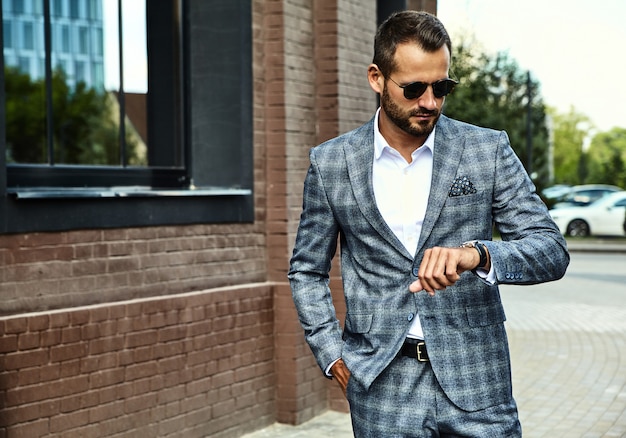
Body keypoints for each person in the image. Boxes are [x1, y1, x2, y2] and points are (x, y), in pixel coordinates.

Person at [288, 10, 570, 437]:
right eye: (415, 87)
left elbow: (550, 250)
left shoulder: (486, 150)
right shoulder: (331, 163)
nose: (430, 102)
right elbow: (306, 270)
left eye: (442, 87)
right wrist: (331, 354)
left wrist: (477, 254)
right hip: (381, 387)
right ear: (376, 78)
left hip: (478, 384)